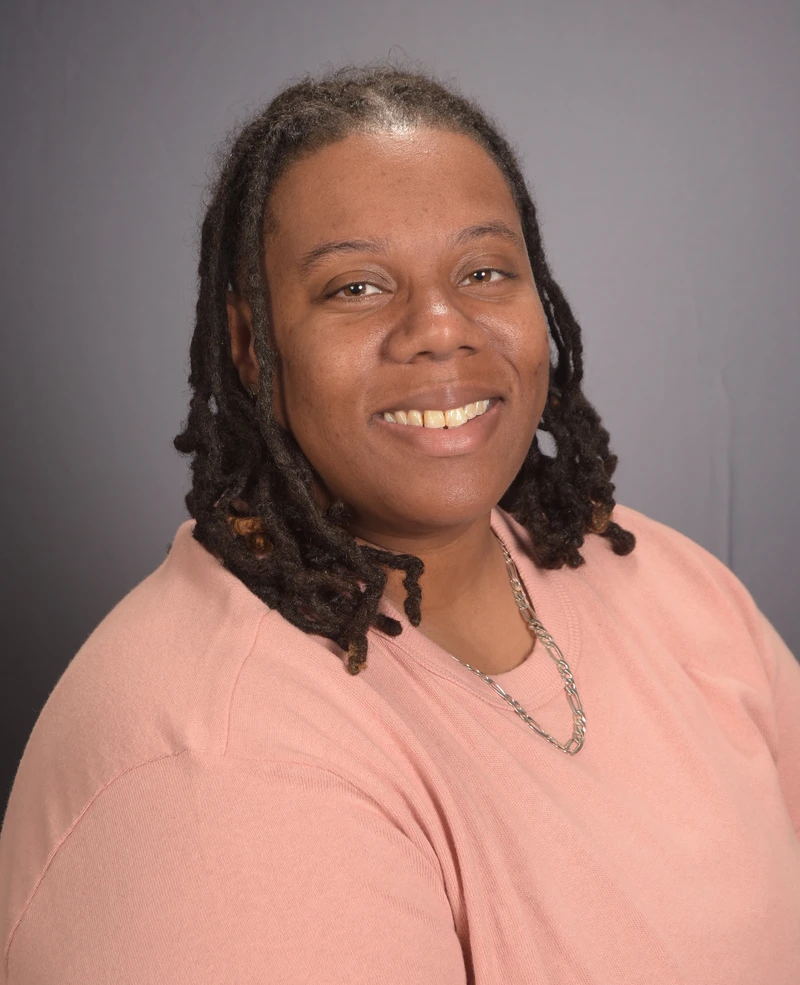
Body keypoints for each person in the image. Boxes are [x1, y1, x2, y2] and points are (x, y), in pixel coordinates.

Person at [0, 65, 798, 985]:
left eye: (485, 271)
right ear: (253, 344)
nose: (440, 327)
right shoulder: (223, 773)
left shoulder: (664, 584)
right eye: (356, 287)